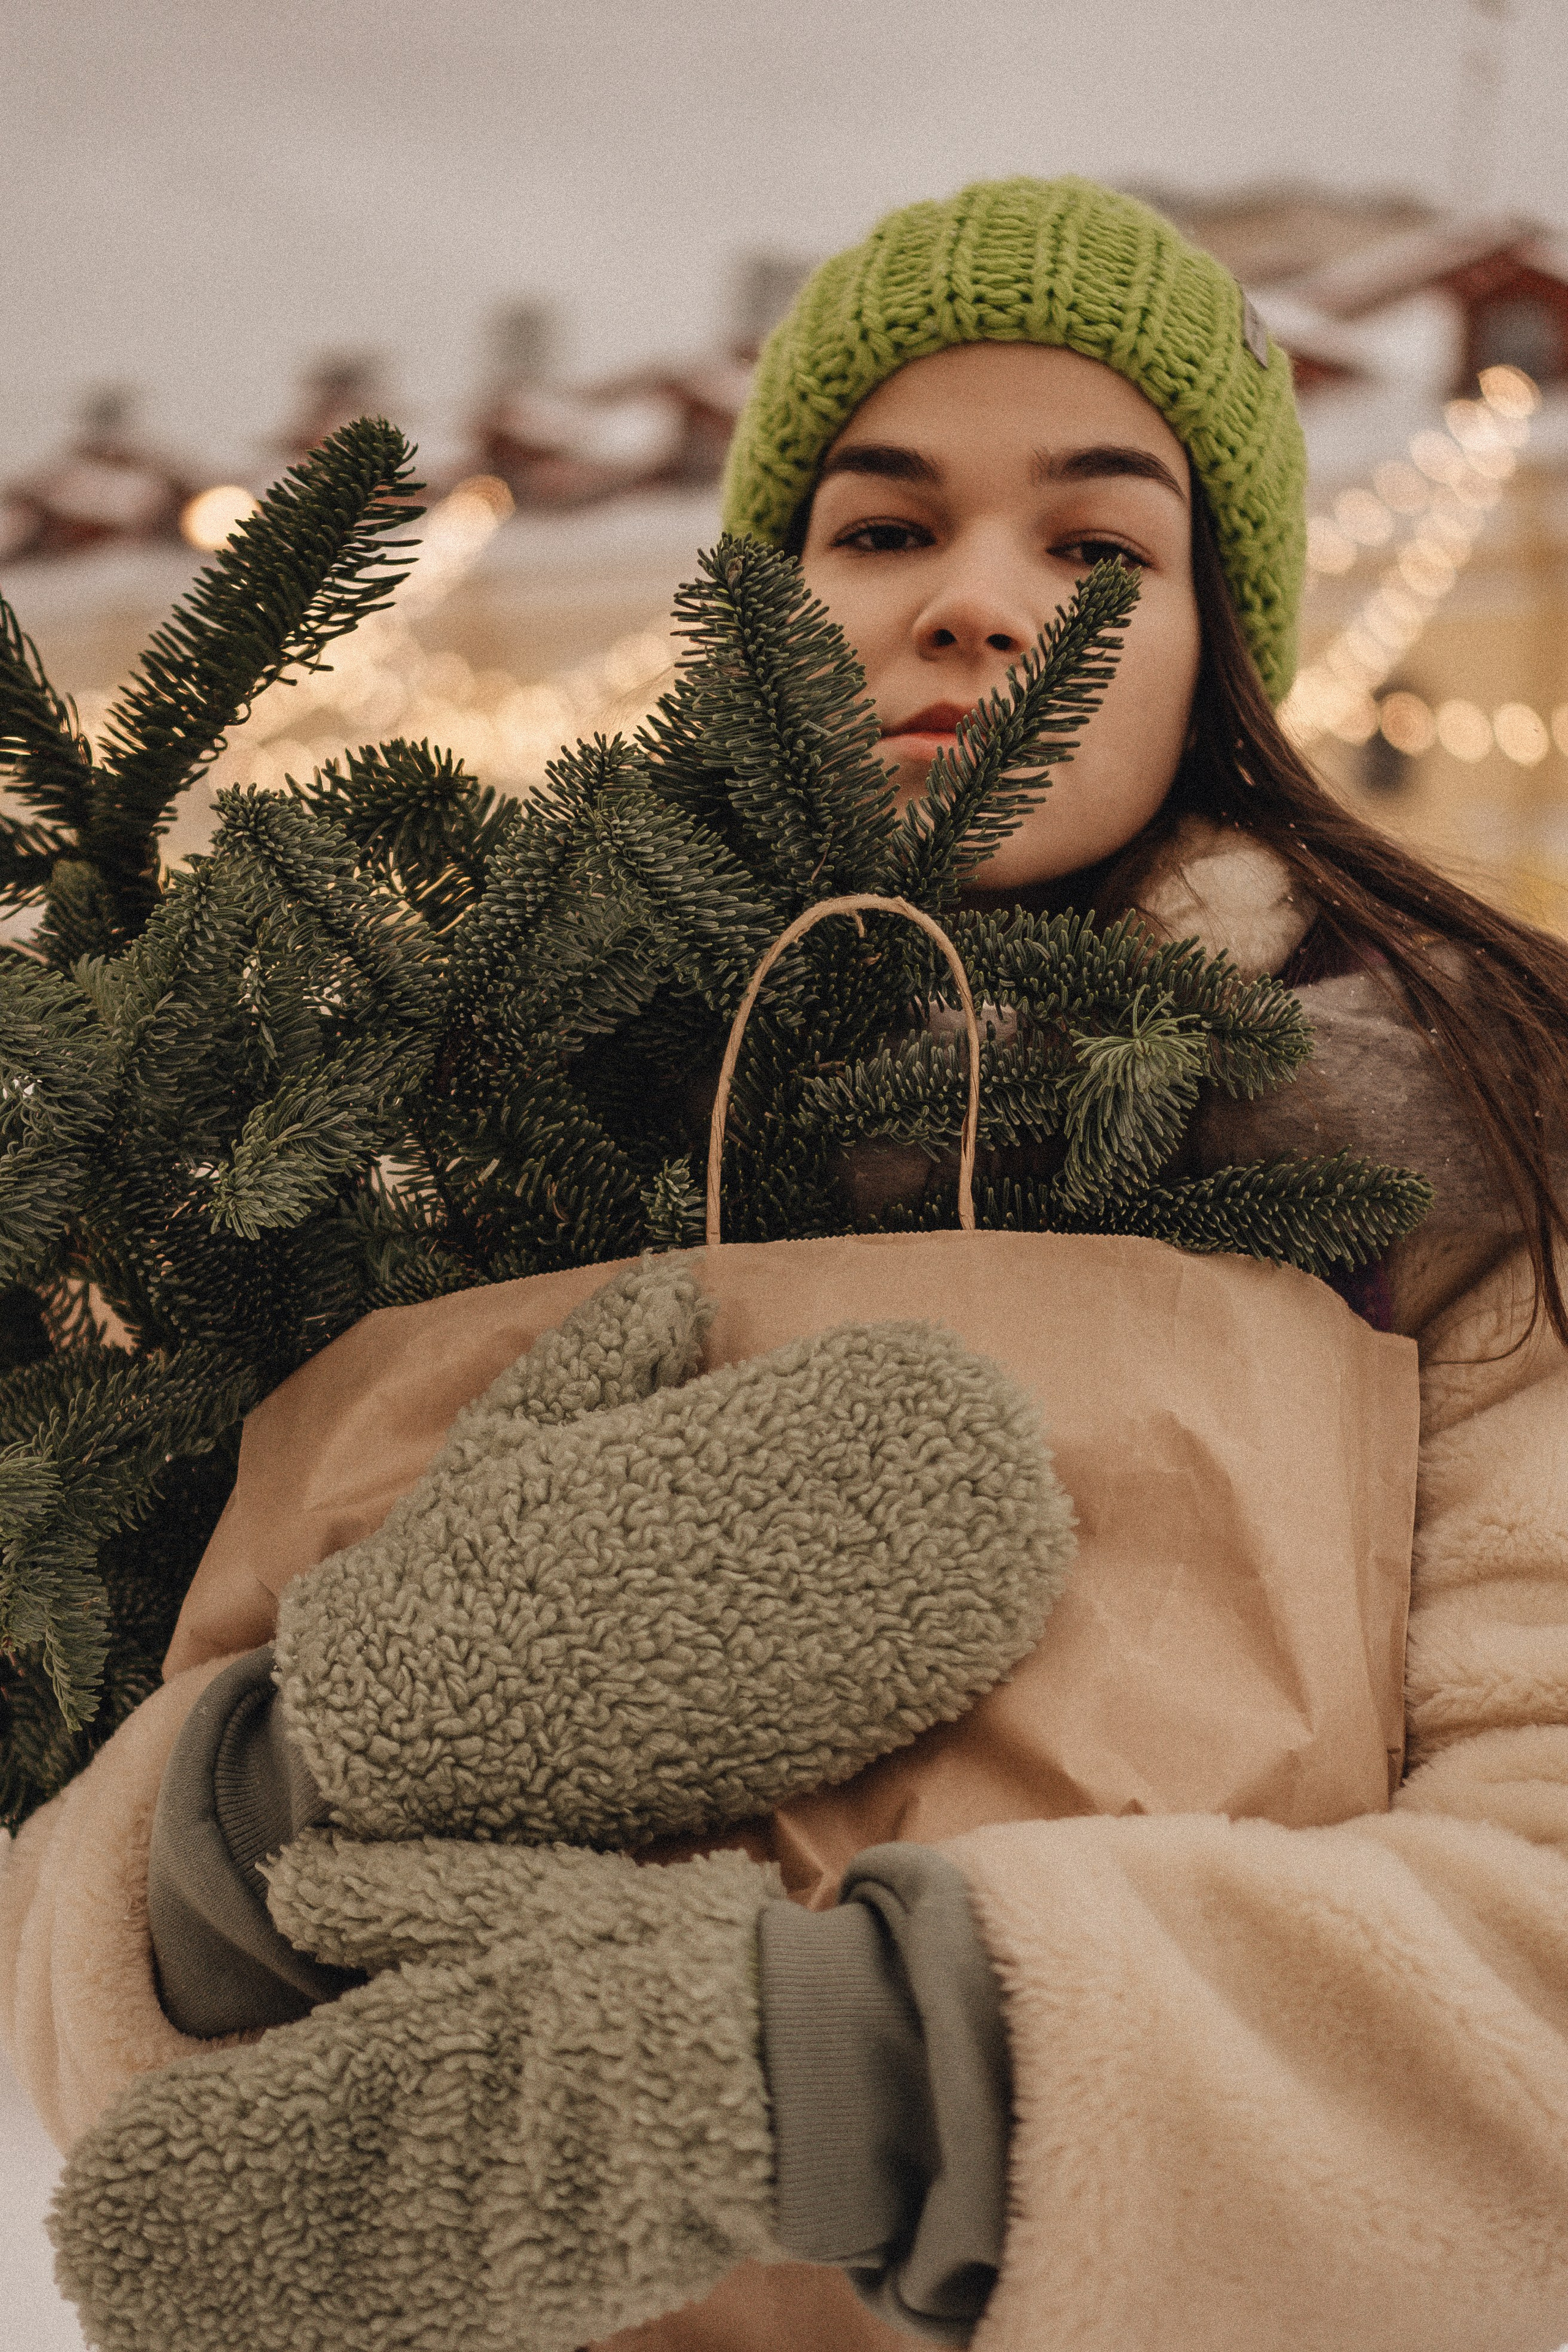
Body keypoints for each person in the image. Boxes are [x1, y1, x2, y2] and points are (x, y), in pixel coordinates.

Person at [9, 176, 1568, 2352]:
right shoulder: (474, 1133)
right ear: (763, 612)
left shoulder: (1473, 1147)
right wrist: (281, 1786)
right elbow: (86, 2010)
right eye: (884, 528)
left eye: (1101, 548)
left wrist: (839, 2070)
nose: (981, 609)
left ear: (1228, 646)